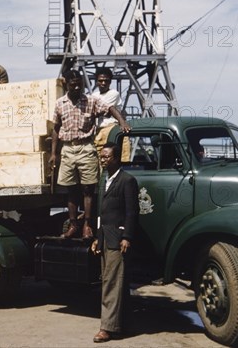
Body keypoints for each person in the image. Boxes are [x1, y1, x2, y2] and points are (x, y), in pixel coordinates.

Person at [50, 69, 130, 239]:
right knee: (71, 190)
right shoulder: (59, 104)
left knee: (88, 188)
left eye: (80, 84)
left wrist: (122, 122)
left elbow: (110, 108)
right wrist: (53, 153)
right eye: (73, 85)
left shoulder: (91, 101)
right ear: (66, 85)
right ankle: (73, 225)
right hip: (67, 149)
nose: (77, 87)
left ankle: (87, 224)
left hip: (86, 147)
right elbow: (56, 128)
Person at [91, 142, 139, 343]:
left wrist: (127, 236)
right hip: (105, 238)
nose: (103, 160)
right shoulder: (105, 180)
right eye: (101, 157)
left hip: (117, 239)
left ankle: (107, 328)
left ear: (117, 158)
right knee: (112, 282)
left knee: (111, 284)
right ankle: (121, 325)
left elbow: (132, 211)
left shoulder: (127, 180)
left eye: (106, 157)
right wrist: (97, 237)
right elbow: (102, 213)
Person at [92, 67, 122, 155]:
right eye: (100, 81)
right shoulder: (94, 95)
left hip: (110, 129)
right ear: (96, 82)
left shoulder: (113, 93)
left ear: (110, 82)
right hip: (98, 131)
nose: (103, 83)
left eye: (106, 81)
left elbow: (101, 109)